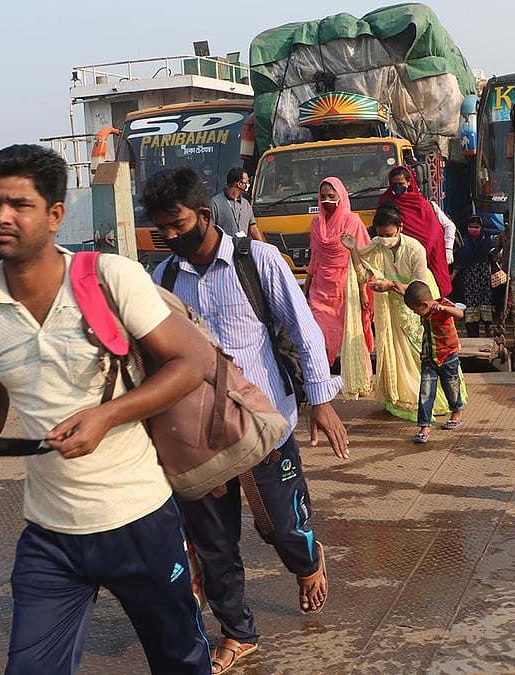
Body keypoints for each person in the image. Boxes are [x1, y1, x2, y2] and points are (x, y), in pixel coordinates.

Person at [0, 145, 211, 674]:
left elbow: (191, 360)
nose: (0, 217)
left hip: (138, 519)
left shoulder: (110, 278)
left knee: (182, 663)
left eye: (19, 204)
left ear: (55, 215)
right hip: (50, 535)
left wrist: (107, 415)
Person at [143, 166, 347, 675]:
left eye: (177, 223)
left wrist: (321, 400)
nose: (169, 236)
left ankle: (307, 560)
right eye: (160, 228)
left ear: (205, 216)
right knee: (215, 545)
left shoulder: (258, 262)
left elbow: (301, 329)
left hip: (265, 425)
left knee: (282, 528)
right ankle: (239, 632)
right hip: (199, 439)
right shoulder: (159, 280)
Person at [343, 202, 445, 421]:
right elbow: (362, 276)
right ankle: (404, 397)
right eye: (380, 236)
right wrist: (353, 250)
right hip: (392, 305)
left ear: (400, 228)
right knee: (398, 353)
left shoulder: (415, 248)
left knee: (423, 350)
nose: (385, 240)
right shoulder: (377, 246)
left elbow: (420, 286)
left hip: (420, 300)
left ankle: (439, 397)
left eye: (388, 235)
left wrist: (390, 285)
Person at [303, 177, 373, 395]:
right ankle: (319, 381)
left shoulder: (353, 221)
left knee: (354, 335)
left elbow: (361, 256)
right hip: (321, 289)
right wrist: (306, 287)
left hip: (347, 287)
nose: (326, 200)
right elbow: (315, 258)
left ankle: (362, 380)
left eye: (331, 197)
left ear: (341, 196)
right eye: (323, 197)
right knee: (317, 336)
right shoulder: (316, 224)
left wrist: (362, 291)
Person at [404, 281, 466, 441]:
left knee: (451, 386)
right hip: (429, 357)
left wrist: (444, 309)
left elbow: (460, 314)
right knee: (425, 391)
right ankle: (424, 426)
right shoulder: (424, 308)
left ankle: (457, 411)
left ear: (424, 304)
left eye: (415, 310)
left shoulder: (443, 305)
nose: (416, 313)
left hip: (448, 356)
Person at [377, 166, 454, 293]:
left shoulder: (420, 202)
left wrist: (440, 248)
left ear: (408, 182)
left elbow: (434, 231)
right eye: (394, 184)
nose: (397, 187)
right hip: (396, 256)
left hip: (424, 255)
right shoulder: (385, 202)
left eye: (401, 184)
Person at [451, 216, 497, 337]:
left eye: (476, 227)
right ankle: (472, 333)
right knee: (470, 305)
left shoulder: (486, 241)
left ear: (481, 228)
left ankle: (488, 329)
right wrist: (454, 274)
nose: (473, 229)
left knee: (485, 302)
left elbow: (493, 257)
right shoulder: (464, 242)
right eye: (471, 227)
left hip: (483, 277)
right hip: (469, 279)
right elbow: (460, 260)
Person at [209, 167, 262, 240]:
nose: (248, 185)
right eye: (246, 182)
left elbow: (253, 228)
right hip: (225, 249)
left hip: (243, 248)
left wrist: (263, 246)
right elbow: (210, 230)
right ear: (239, 184)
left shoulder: (246, 204)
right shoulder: (215, 203)